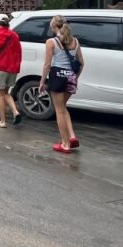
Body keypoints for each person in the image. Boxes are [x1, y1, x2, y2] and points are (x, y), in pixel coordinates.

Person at [39, 15, 84, 154]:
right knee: (63, 108)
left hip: (58, 76)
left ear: (54, 27)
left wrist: (42, 82)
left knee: (59, 110)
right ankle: (72, 137)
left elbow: (47, 65)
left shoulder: (51, 42)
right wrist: (74, 77)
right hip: (71, 77)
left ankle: (65, 144)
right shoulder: (75, 41)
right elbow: (82, 63)